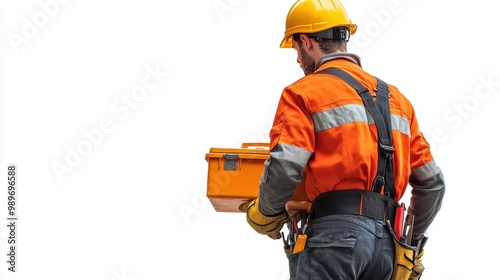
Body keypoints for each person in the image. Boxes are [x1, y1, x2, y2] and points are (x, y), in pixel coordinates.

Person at [239, 0, 446, 279]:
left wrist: (265, 211)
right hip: (387, 250)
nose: (297, 59)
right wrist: (410, 245)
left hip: (334, 240)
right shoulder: (397, 100)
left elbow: (287, 163)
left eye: (296, 49)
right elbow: (432, 183)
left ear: (306, 41)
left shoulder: (303, 93)